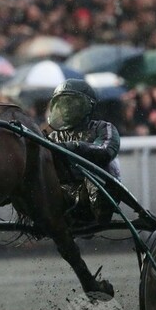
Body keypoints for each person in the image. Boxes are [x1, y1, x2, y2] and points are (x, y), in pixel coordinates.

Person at [46, 79, 121, 225]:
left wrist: (71, 147)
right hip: (65, 197)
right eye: (62, 103)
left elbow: (106, 151)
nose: (66, 108)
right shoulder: (53, 137)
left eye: (71, 102)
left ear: (88, 105)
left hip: (98, 195)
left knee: (95, 173)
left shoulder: (103, 128)